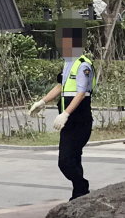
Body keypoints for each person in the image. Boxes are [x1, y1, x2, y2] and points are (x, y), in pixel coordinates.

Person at [28, 10, 95, 201]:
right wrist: (43, 102)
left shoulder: (83, 65)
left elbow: (81, 93)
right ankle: (79, 195)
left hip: (79, 120)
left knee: (65, 161)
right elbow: (61, 86)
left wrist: (65, 113)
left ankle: (82, 187)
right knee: (73, 159)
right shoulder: (68, 64)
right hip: (68, 122)